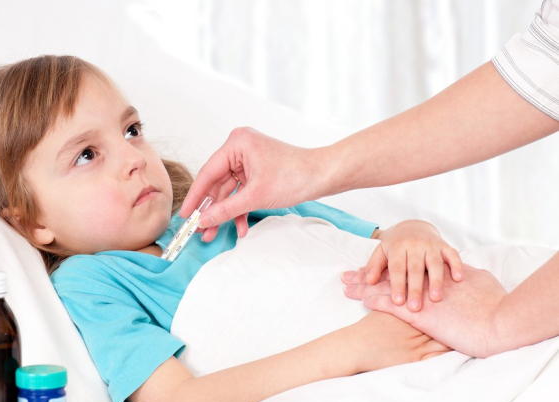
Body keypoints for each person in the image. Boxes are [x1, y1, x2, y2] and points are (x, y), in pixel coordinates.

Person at [0, 55, 457, 402]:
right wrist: (353, 349)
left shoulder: (231, 201)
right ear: (32, 224)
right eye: (86, 155)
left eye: (131, 130)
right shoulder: (94, 281)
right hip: (375, 368)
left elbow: (378, 236)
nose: (134, 158)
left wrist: (416, 234)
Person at [180, 1, 559, 359]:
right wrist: (313, 168)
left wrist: (500, 323)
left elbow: (389, 233)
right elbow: (545, 64)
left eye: (139, 136)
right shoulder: (138, 282)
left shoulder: (280, 217)